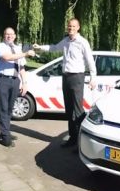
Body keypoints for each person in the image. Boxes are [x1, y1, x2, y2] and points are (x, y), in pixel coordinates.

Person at [33, 18, 97, 147]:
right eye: (69, 26)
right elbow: (54, 47)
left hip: (77, 77)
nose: (71, 29)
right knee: (68, 109)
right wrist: (40, 47)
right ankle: (72, 138)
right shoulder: (66, 41)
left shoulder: (82, 42)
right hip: (66, 77)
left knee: (78, 110)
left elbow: (90, 60)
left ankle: (81, 143)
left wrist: (93, 77)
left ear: (78, 28)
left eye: (73, 26)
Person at [0, 27, 35, 147]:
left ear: (15, 36)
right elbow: (7, 57)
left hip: (15, 81)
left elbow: (21, 66)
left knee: (10, 109)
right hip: (2, 80)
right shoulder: (0, 46)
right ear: (4, 35)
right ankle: (5, 137)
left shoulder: (17, 48)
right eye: (7, 34)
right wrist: (26, 53)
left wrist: (25, 82)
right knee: (3, 108)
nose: (9, 36)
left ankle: (5, 131)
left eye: (11, 34)